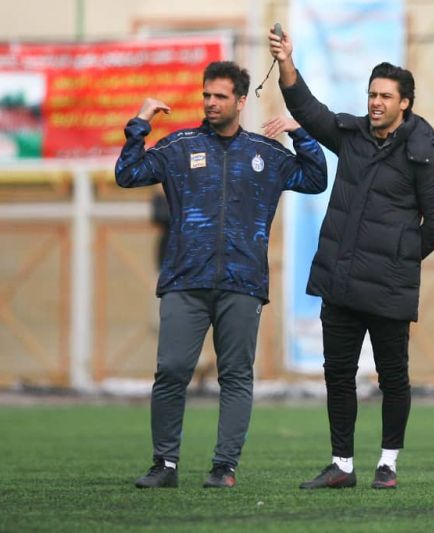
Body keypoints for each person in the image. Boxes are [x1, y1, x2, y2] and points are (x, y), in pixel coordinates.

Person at [115, 60, 327, 489]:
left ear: (241, 101)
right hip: (184, 281)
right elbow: (127, 173)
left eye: (220, 96)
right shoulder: (179, 147)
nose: (211, 102)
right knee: (172, 370)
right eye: (206, 95)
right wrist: (140, 122)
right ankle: (165, 465)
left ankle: (224, 467)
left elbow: (316, 178)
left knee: (236, 376)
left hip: (243, 283)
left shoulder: (266, 154)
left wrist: (299, 132)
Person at [267, 29, 434, 490]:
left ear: (404, 103)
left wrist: (401, 258)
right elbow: (307, 109)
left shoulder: (423, 153)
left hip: (389, 287)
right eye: (372, 94)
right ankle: (342, 465)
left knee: (393, 378)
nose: (375, 103)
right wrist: (286, 61)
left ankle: (387, 463)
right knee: (338, 375)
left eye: (385, 96)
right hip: (342, 281)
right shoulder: (351, 135)